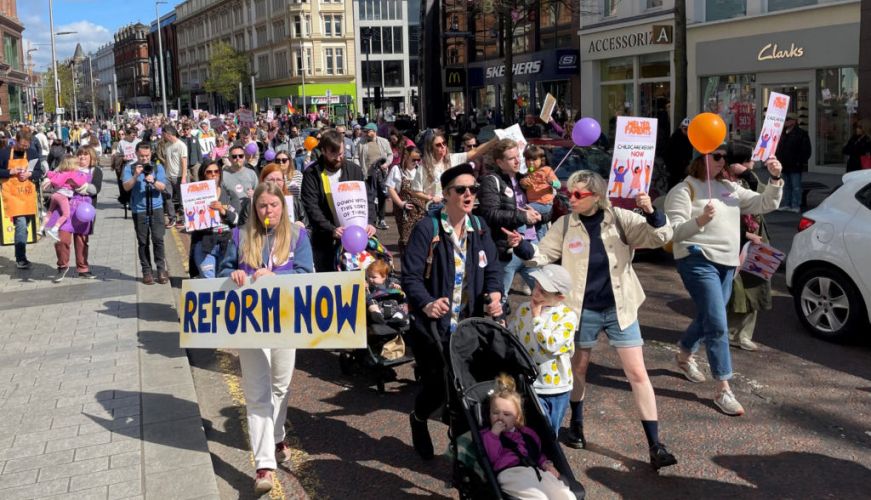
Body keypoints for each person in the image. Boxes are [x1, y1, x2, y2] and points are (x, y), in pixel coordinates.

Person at [509, 169, 677, 469]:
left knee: (637, 373)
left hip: (620, 307)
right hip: (581, 309)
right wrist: (520, 245)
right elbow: (540, 256)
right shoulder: (564, 225)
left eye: (578, 195)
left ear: (596, 198)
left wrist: (652, 212)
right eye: (569, 193)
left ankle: (655, 444)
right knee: (580, 369)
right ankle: (577, 425)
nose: (570, 198)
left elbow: (661, 236)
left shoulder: (620, 219)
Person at [665, 147, 783, 416]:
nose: (723, 161)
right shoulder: (683, 190)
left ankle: (683, 355)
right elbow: (675, 232)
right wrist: (700, 220)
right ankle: (723, 389)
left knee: (709, 314)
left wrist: (775, 179)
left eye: (724, 157)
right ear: (700, 158)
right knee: (718, 321)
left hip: (728, 263)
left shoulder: (729, 187)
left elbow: (766, 203)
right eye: (716, 156)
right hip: (697, 260)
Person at [401, 163, 504, 460]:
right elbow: (409, 277)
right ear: (446, 195)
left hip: (468, 329)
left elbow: (493, 269)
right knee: (435, 389)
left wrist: (495, 295)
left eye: (473, 189)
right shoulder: (427, 228)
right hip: (433, 329)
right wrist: (427, 303)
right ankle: (418, 419)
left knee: (465, 395)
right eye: (461, 190)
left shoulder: (480, 228)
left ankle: (460, 457)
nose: (469, 194)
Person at [222, 182, 314, 496]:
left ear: (282, 207)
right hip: (249, 324)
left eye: (273, 205)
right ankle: (263, 465)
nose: (268, 211)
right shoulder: (239, 236)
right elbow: (222, 272)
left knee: (281, 386)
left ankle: (276, 434)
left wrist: (278, 276)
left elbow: (307, 274)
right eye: (262, 205)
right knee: (257, 392)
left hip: (286, 322)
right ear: (254, 208)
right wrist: (232, 275)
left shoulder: (298, 237)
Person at [507, 264, 577, 436]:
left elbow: (552, 344)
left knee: (549, 432)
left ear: (560, 297)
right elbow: (513, 336)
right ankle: (532, 460)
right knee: (529, 430)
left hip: (556, 387)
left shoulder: (567, 316)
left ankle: (548, 460)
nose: (536, 293)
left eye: (544, 292)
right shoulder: (524, 309)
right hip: (530, 383)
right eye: (536, 286)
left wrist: (537, 319)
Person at [480, 374, 575, 500]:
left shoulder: (527, 434)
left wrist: (547, 465)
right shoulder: (488, 435)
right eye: (495, 413)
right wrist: (494, 435)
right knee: (538, 497)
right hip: (510, 474)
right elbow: (492, 458)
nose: (500, 417)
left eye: (507, 414)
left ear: (517, 417)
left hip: (534, 470)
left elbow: (537, 453)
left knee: (564, 494)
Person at [300, 129, 376, 272]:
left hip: (355, 240)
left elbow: (367, 198)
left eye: (341, 153)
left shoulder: (354, 170)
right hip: (325, 240)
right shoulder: (312, 174)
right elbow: (311, 206)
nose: (339, 158)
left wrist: (371, 222)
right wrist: (331, 229)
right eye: (333, 154)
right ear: (323, 151)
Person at [722, 146, 772, 352]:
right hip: (737, 241)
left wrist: (749, 175)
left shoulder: (748, 179)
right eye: (748, 162)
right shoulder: (723, 183)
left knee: (756, 285)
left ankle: (744, 334)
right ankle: (728, 332)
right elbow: (722, 215)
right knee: (736, 291)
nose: (752, 165)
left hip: (758, 240)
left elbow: (765, 198)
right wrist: (746, 234)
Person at [477, 138, 540, 296]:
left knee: (544, 294)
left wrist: (541, 213)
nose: (518, 161)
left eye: (518, 156)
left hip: (531, 245)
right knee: (499, 297)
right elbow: (491, 214)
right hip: (508, 248)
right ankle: (498, 321)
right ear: (499, 162)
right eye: (512, 158)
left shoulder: (523, 179)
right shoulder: (491, 181)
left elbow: (542, 209)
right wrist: (522, 216)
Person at [122, 142, 170, 285]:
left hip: (156, 208)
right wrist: (136, 176)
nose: (144, 159)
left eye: (147, 156)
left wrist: (153, 180)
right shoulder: (130, 168)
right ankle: (147, 272)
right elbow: (126, 187)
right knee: (143, 242)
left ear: (151, 154)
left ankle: (161, 270)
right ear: (136, 154)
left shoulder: (157, 166)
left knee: (158, 240)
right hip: (139, 209)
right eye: (142, 156)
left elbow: (163, 187)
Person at [0, 128, 43, 269]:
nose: (25, 148)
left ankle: (20, 248)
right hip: (12, 195)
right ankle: (21, 259)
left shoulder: (32, 153)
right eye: (22, 145)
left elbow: (39, 172)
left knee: (25, 227)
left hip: (27, 194)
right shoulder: (5, 153)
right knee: (21, 224)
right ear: (16, 141)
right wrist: (9, 171)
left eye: (27, 145)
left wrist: (30, 174)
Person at [189, 160, 240, 278]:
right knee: (208, 278)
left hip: (227, 242)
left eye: (216, 172)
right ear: (203, 175)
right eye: (209, 172)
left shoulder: (229, 194)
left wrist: (222, 210)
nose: (213, 174)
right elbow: (192, 221)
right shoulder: (194, 196)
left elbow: (237, 219)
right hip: (205, 242)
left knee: (224, 277)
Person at [386, 147, 424, 253]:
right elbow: (391, 189)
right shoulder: (397, 170)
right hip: (405, 213)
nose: (416, 162)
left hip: (421, 211)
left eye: (418, 160)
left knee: (421, 238)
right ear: (406, 157)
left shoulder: (420, 170)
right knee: (406, 240)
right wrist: (401, 203)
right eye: (413, 159)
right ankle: (406, 266)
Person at [43, 156, 89, 242]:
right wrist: (83, 175)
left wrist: (48, 175)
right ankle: (54, 229)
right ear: (72, 165)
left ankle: (41, 228)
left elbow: (51, 174)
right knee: (66, 214)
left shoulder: (61, 171)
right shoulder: (71, 173)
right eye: (76, 164)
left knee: (50, 212)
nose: (78, 166)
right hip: (62, 196)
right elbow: (80, 182)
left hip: (54, 195)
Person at [519, 145, 560, 241]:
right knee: (539, 228)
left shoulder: (546, 170)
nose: (531, 162)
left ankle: (521, 234)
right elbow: (525, 185)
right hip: (534, 203)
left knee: (523, 213)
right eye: (528, 160)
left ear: (541, 160)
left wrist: (552, 182)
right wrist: (523, 183)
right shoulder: (529, 172)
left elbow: (558, 185)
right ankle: (542, 246)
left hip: (544, 203)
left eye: (534, 160)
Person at [774, 113, 811, 213]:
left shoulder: (801, 133)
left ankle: (795, 205)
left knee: (796, 186)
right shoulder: (783, 133)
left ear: (794, 121)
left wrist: (800, 162)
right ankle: (787, 204)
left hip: (795, 164)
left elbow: (806, 150)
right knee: (786, 186)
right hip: (784, 164)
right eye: (785, 119)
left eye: (788, 119)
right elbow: (779, 148)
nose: (785, 121)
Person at [259, 163, 308, 228]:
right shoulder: (252, 203)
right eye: (271, 180)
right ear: (262, 181)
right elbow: (243, 231)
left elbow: (308, 230)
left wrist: (301, 230)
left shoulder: (294, 202)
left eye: (279, 179)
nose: (275, 183)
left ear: (283, 182)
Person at [221, 144, 259, 226]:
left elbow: (260, 194)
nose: (238, 158)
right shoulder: (223, 175)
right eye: (234, 156)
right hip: (232, 214)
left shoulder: (251, 173)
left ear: (244, 157)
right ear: (229, 159)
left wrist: (255, 194)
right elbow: (221, 198)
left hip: (249, 213)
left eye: (240, 156)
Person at [161, 125, 188, 228]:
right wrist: (164, 173)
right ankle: (172, 219)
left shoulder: (181, 145)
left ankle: (182, 219)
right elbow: (167, 161)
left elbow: (184, 163)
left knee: (182, 199)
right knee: (168, 198)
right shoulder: (167, 145)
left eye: (164, 134)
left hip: (179, 176)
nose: (162, 136)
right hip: (168, 176)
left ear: (169, 134)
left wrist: (184, 177)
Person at [365, 258, 406, 325]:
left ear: (384, 277)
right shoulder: (369, 286)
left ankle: (398, 317)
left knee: (404, 302)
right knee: (370, 300)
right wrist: (365, 287)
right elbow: (366, 295)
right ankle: (376, 314)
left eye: (373, 277)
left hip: (393, 307)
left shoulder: (391, 283)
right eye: (369, 276)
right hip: (378, 308)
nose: (370, 279)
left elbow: (400, 293)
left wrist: (398, 288)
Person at [664, 117, 693, 189]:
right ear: (681, 128)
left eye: (689, 129)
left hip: (684, 166)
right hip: (675, 167)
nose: (687, 131)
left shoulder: (690, 138)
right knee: (673, 185)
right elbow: (669, 153)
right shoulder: (675, 138)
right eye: (685, 129)